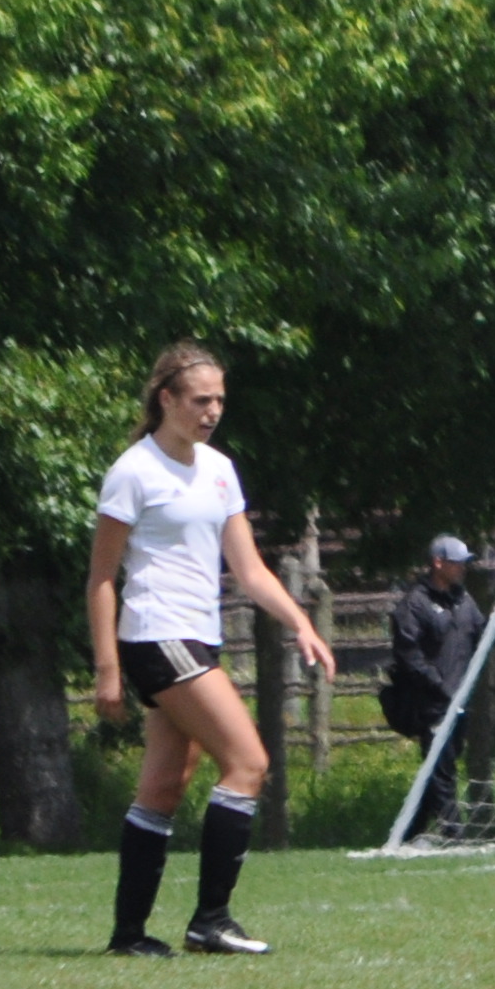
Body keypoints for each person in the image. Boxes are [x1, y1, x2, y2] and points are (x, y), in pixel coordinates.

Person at [90, 345, 339, 957]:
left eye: (220, 400)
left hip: (195, 638)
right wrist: (107, 669)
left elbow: (249, 570)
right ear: (166, 400)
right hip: (155, 635)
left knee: (164, 787)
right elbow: (100, 578)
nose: (212, 411)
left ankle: (128, 935)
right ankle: (212, 920)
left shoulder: (220, 470)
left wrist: (299, 623)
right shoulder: (133, 471)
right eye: (201, 400)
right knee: (249, 762)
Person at [383, 536, 488, 843]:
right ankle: (454, 833)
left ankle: (408, 832)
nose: (462, 569)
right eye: (457, 563)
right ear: (438, 563)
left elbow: (478, 635)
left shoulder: (464, 601)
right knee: (442, 770)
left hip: (459, 700)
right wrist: (439, 686)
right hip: (430, 702)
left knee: (441, 765)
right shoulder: (414, 605)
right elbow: (408, 654)